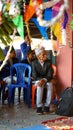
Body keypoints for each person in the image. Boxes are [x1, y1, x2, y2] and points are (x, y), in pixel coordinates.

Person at [32, 46, 54, 114]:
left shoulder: (48, 62)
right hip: (37, 79)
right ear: (38, 55)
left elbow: (50, 75)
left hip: (46, 79)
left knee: (50, 85)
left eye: (45, 54)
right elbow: (35, 76)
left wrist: (44, 80)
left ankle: (47, 106)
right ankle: (39, 107)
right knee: (39, 85)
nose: (45, 55)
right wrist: (41, 81)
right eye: (43, 54)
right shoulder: (34, 62)